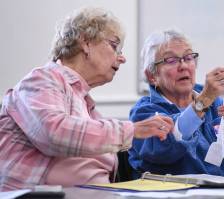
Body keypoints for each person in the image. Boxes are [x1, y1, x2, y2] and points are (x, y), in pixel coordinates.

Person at [0, 7, 174, 191]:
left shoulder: (85, 102)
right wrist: (131, 130)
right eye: (114, 46)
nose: (122, 58)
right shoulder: (40, 80)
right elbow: (56, 133)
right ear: (85, 42)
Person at [128, 28, 224, 179]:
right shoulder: (144, 112)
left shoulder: (217, 104)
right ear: (152, 76)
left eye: (188, 57)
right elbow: (163, 150)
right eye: (171, 60)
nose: (183, 66)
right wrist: (202, 102)